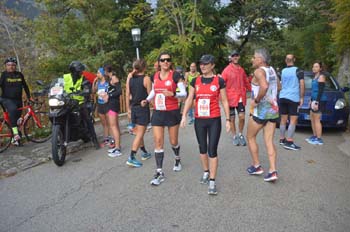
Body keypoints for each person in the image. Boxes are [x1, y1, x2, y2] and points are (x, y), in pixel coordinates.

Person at [181, 54, 231, 195]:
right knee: (202, 148)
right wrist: (184, 115)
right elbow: (190, 98)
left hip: (214, 119)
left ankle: (212, 181)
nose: (202, 66)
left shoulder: (219, 81)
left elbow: (225, 101)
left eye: (205, 63)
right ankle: (206, 171)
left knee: (212, 149)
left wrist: (228, 120)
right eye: (201, 63)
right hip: (199, 120)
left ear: (212, 65)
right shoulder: (195, 81)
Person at [141, 52, 187, 186]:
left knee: (173, 141)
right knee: (158, 141)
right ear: (159, 62)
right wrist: (147, 99)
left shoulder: (175, 75)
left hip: (172, 112)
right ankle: (159, 172)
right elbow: (154, 91)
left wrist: (173, 93)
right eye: (163, 60)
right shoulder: (154, 76)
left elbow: (184, 93)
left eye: (168, 60)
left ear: (170, 62)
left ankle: (177, 158)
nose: (166, 62)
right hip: (158, 112)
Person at [246, 48, 279, 182]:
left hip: (261, 112)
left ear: (260, 59)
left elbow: (264, 87)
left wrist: (256, 100)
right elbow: (279, 86)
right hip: (273, 111)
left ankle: (257, 166)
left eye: (254, 57)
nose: (252, 60)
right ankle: (273, 171)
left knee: (250, 137)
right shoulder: (272, 71)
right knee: (269, 141)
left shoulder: (259, 71)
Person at [64, 61, 99, 148]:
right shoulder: (65, 77)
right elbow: (56, 84)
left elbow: (87, 86)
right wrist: (47, 89)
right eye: (80, 71)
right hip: (67, 102)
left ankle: (95, 141)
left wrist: (86, 90)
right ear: (74, 71)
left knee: (87, 119)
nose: (81, 72)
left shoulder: (83, 78)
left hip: (79, 103)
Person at [125, 59, 152, 167]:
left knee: (138, 132)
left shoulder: (130, 79)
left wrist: (128, 109)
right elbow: (150, 95)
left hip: (133, 108)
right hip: (142, 108)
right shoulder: (146, 79)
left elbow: (127, 94)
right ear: (144, 68)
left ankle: (144, 152)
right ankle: (132, 156)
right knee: (140, 133)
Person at [221, 50, 251, 146]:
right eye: (233, 56)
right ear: (231, 58)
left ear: (239, 57)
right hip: (230, 98)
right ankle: (234, 136)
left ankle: (240, 134)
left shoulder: (241, 70)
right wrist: (220, 97)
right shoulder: (226, 70)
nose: (235, 57)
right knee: (232, 119)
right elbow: (221, 83)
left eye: (237, 55)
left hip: (240, 97)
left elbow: (246, 82)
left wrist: (254, 92)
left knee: (242, 117)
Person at [0, 57, 32, 145]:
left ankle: (16, 140)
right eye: (9, 65)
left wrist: (29, 97)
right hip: (6, 99)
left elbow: (25, 86)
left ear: (15, 66)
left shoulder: (19, 75)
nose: (11, 67)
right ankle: (15, 134)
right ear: (6, 66)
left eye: (13, 65)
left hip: (18, 100)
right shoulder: (4, 75)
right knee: (13, 112)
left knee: (17, 119)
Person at [279, 54, 305, 150]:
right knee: (293, 120)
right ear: (294, 59)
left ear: (286, 60)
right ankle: (289, 142)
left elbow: (280, 84)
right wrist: (302, 97)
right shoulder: (298, 70)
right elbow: (302, 84)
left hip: (283, 97)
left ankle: (282, 139)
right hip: (293, 97)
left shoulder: (283, 71)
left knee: (283, 119)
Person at [305, 62, 327, 145]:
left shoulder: (321, 77)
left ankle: (319, 139)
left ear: (320, 68)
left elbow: (320, 91)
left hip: (320, 100)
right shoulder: (315, 77)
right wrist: (311, 99)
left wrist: (317, 102)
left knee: (317, 119)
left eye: (316, 66)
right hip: (314, 100)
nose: (314, 68)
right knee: (312, 117)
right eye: (313, 66)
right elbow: (313, 90)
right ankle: (314, 136)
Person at [103, 72, 123, 157]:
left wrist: (109, 95)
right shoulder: (109, 80)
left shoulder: (114, 77)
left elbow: (119, 91)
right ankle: (117, 146)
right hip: (110, 105)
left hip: (113, 106)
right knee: (114, 126)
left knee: (113, 126)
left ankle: (117, 148)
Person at [93, 67, 110, 147]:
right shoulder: (98, 83)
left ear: (102, 73)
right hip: (100, 104)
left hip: (107, 104)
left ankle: (111, 137)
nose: (97, 74)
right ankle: (106, 138)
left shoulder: (107, 82)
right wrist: (94, 82)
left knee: (110, 122)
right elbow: (93, 91)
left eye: (98, 73)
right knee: (104, 123)